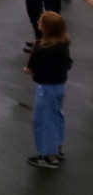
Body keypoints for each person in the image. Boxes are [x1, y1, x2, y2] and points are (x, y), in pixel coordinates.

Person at [23, 11, 71, 169]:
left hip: (47, 88)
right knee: (56, 115)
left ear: (47, 28)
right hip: (59, 86)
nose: (39, 22)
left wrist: (31, 70)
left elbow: (40, 72)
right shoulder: (63, 44)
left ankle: (49, 157)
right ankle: (57, 146)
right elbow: (68, 64)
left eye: (41, 21)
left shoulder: (45, 48)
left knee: (44, 120)